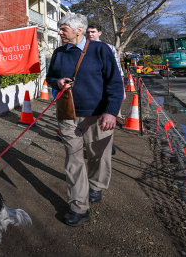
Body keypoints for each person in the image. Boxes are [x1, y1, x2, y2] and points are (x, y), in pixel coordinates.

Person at [46, 13, 123, 227]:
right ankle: (79, 207)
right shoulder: (59, 53)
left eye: (64, 28)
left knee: (99, 156)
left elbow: (115, 83)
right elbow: (49, 77)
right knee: (74, 159)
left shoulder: (101, 50)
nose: (60, 32)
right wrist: (58, 82)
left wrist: (111, 112)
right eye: (60, 28)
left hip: (98, 115)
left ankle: (96, 185)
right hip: (68, 115)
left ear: (79, 30)